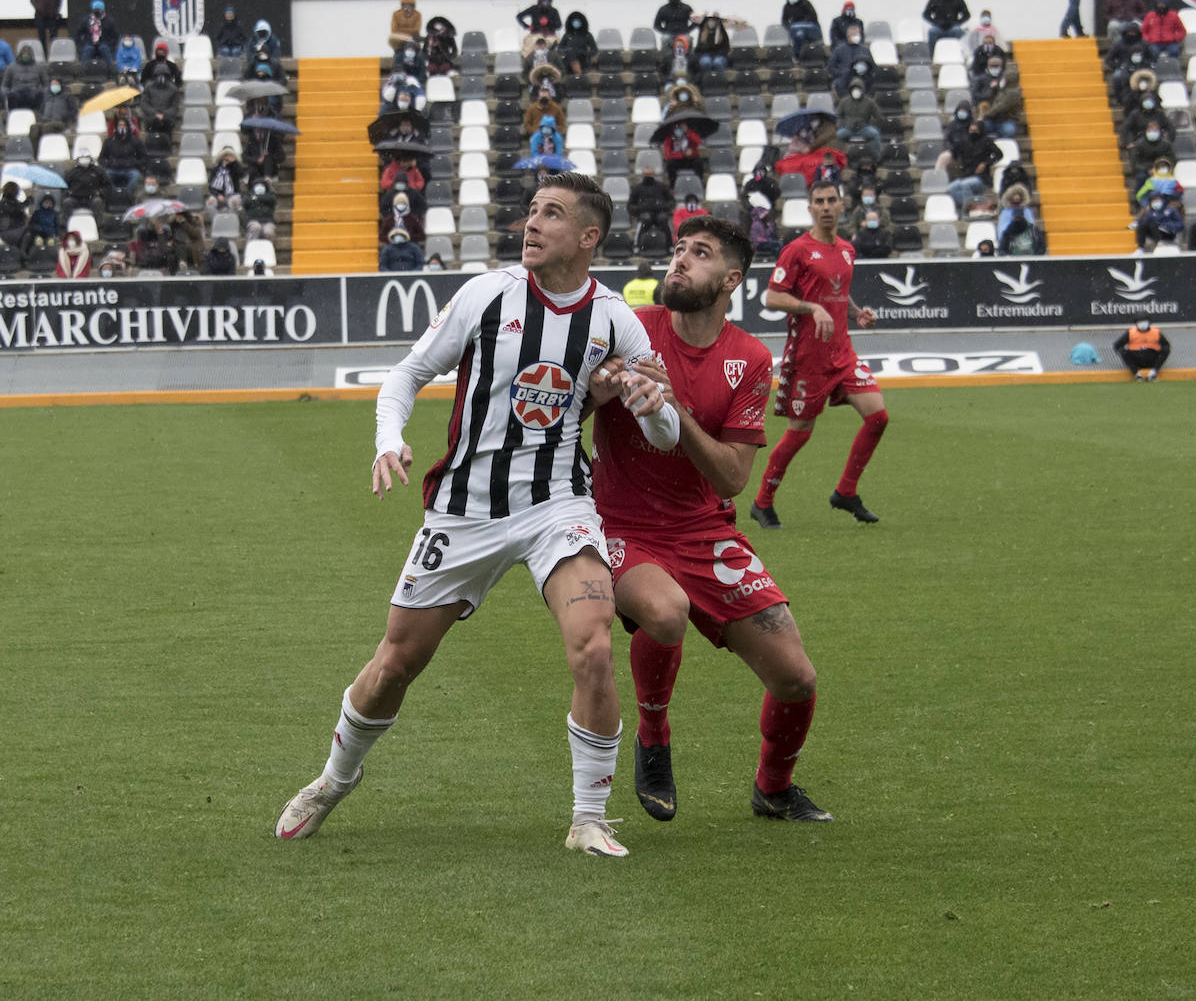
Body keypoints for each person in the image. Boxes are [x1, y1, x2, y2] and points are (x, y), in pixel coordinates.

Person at [273, 171, 681, 858]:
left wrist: (654, 406)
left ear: (588, 236)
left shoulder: (614, 319)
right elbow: (406, 374)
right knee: (397, 662)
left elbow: (666, 433)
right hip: (465, 510)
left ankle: (589, 818)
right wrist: (388, 439)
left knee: (595, 643)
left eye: (551, 215)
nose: (531, 224)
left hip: (559, 505)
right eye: (530, 212)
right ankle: (333, 780)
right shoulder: (487, 295)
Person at [590, 215, 834, 825]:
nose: (679, 260)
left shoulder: (749, 359)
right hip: (618, 522)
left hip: (704, 530)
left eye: (698, 253)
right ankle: (653, 734)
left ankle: (773, 790)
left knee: (797, 679)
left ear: (730, 279)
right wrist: (601, 386)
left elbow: (730, 479)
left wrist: (677, 410)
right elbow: (571, 401)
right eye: (678, 249)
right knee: (666, 611)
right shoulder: (628, 328)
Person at [750, 181, 885, 528]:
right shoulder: (797, 250)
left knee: (878, 417)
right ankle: (763, 502)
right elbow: (772, 297)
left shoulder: (846, 250)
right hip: (808, 358)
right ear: (810, 208)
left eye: (831, 201)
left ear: (842, 206)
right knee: (800, 432)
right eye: (818, 201)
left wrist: (857, 314)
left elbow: (837, 295)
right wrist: (811, 308)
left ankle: (846, 492)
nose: (825, 206)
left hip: (843, 354)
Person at [835, 79, 883, 161]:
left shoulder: (869, 102)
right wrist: (841, 125)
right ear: (850, 90)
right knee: (837, 136)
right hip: (848, 129)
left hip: (864, 128)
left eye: (858, 89)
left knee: (875, 134)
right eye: (854, 89)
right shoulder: (844, 102)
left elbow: (878, 117)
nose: (856, 91)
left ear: (862, 90)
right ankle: (839, 158)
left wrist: (872, 125)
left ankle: (876, 158)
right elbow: (838, 116)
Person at [98, 118, 147, 193]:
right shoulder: (109, 141)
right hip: (113, 169)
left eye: (124, 125)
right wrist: (109, 164)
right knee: (105, 175)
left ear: (128, 127)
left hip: (130, 169)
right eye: (120, 125)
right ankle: (114, 193)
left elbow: (144, 158)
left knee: (136, 176)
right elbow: (101, 158)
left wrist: (134, 163)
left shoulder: (135, 141)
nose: (122, 127)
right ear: (116, 127)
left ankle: (127, 194)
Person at [74, 0, 120, 71]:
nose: (97, 11)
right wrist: (82, 44)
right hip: (89, 42)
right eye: (95, 9)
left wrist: (110, 45)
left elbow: (115, 36)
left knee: (104, 49)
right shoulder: (86, 20)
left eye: (99, 9)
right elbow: (78, 33)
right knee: (88, 50)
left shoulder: (109, 20)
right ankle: (83, 72)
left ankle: (110, 72)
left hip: (104, 42)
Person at [2, 42, 47, 111]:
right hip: (17, 92)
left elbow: (46, 84)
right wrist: (7, 93)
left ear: (31, 56)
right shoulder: (11, 67)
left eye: (28, 55)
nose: (26, 56)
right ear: (20, 55)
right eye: (24, 55)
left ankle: (37, 115)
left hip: (33, 92)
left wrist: (42, 91)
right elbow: (5, 85)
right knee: (12, 96)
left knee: (40, 95)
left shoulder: (39, 67)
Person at [660, 119, 704, 187]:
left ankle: (699, 183)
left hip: (690, 159)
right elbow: (668, 155)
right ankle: (673, 186)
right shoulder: (669, 137)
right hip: (677, 160)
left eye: (682, 126)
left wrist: (688, 132)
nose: (680, 128)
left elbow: (698, 141)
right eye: (678, 126)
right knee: (670, 164)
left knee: (699, 162)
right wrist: (683, 154)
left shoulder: (690, 134)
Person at [558, 11, 597, 76]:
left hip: (583, 60)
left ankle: (578, 73)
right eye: (574, 21)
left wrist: (583, 52)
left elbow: (594, 50)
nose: (576, 23)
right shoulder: (567, 35)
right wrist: (567, 50)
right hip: (568, 61)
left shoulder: (587, 35)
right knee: (571, 55)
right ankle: (577, 73)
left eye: (578, 21)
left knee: (574, 56)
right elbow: (560, 49)